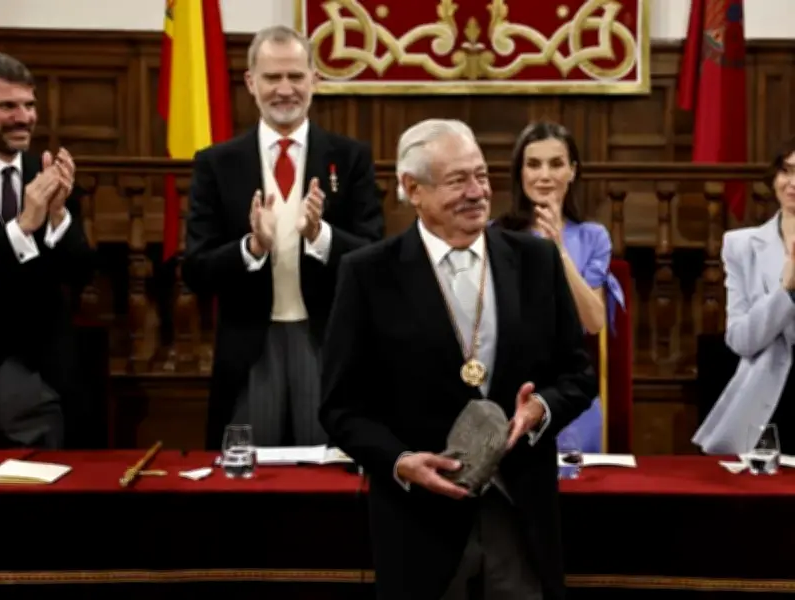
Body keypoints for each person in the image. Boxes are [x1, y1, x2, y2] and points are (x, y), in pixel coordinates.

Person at [320, 119, 597, 600]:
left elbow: (579, 374)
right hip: (419, 525)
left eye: (482, 175)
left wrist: (541, 410)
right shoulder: (368, 275)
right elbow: (340, 407)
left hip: (520, 518)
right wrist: (401, 461)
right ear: (412, 189)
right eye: (457, 181)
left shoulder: (536, 261)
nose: (477, 192)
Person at [183, 26, 384, 449]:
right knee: (249, 489)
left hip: (326, 344)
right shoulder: (217, 164)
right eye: (273, 78)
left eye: (295, 76)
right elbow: (196, 270)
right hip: (250, 349)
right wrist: (251, 248)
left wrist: (321, 235)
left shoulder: (350, 158)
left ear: (315, 79)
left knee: (328, 489)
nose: (285, 89)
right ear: (251, 82)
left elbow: (374, 256)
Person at [493, 121, 625, 453]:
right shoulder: (497, 235)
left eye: (556, 164)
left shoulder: (593, 236)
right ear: (520, 173)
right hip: (511, 388)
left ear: (572, 171)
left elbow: (594, 322)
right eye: (533, 164)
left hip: (570, 391)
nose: (544, 175)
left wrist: (558, 249)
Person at [0, 52, 95, 449]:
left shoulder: (48, 172)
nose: (23, 117)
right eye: (7, 106)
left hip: (39, 387)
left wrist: (57, 218)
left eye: (29, 105)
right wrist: (22, 228)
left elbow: (81, 273)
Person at [694, 136, 795, 455]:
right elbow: (741, 340)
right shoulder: (741, 245)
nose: (792, 183)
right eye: (786, 171)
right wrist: (785, 292)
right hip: (768, 399)